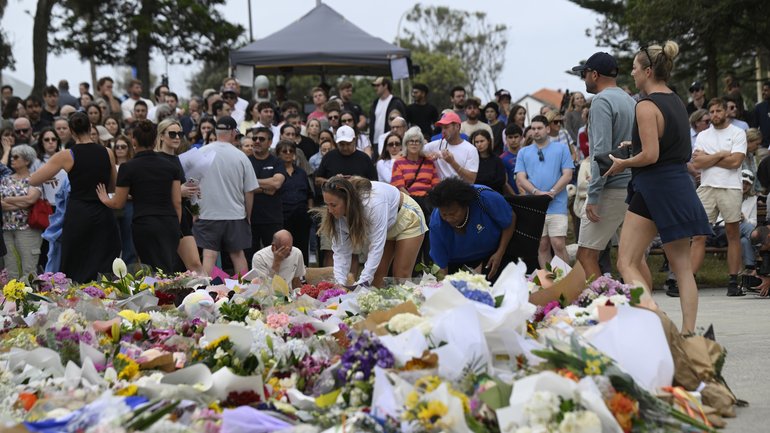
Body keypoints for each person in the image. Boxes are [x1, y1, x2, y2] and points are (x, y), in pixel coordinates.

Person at [604, 41, 711, 333]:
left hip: (653, 187)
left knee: (627, 262)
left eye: (636, 69)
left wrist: (623, 163)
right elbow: (673, 147)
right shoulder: (676, 100)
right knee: (683, 268)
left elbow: (650, 156)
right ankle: (688, 334)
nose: (633, 74)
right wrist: (634, 145)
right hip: (679, 185)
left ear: (648, 71)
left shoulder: (646, 105)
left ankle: (655, 322)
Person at [30, 112, 120, 283]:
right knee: (103, 262)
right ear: (91, 128)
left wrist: (50, 176)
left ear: (71, 131)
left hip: (79, 212)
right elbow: (112, 186)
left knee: (77, 260)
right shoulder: (107, 152)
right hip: (102, 209)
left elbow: (34, 179)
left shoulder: (66, 155)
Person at [570, 51, 636, 280]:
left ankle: (602, 309)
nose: (584, 79)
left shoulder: (600, 101)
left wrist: (594, 194)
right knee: (633, 260)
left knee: (586, 255)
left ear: (594, 74)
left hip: (611, 187)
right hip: (633, 185)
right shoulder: (630, 100)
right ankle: (646, 308)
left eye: (585, 74)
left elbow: (601, 152)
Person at [96, 120, 182, 273]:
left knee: (152, 269)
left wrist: (104, 198)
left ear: (134, 141)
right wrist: (176, 225)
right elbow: (177, 201)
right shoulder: (171, 166)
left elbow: (118, 203)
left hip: (144, 222)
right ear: (155, 140)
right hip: (169, 221)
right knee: (168, 268)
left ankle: (159, 296)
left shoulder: (128, 167)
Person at [317, 176, 426, 288]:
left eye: (333, 205)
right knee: (377, 277)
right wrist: (339, 284)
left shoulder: (372, 204)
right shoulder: (337, 215)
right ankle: (376, 304)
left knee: (400, 275)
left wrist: (361, 284)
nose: (329, 210)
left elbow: (376, 248)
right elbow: (341, 252)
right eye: (327, 204)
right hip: (386, 223)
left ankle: (405, 305)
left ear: (348, 201)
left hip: (406, 216)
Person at [690, 98, 747, 296]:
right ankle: (689, 280)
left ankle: (733, 280)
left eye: (718, 111)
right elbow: (697, 163)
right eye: (711, 111)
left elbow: (736, 162)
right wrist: (722, 154)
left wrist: (710, 159)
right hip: (706, 187)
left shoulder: (738, 133)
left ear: (726, 112)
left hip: (730, 187)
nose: (714, 114)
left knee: (733, 233)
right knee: (698, 235)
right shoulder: (703, 135)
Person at [193, 116, 259, 276]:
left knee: (209, 255)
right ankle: (244, 292)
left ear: (216, 132)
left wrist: (195, 212)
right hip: (235, 214)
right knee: (237, 254)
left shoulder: (201, 153)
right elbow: (249, 191)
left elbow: (191, 185)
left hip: (207, 213)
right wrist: (248, 215)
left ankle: (204, 294)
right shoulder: (241, 156)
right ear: (233, 132)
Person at [427, 178, 516, 280]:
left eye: (453, 213)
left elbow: (510, 218)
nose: (449, 219)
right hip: (456, 263)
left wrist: (500, 252)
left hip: (493, 253)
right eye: (444, 214)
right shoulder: (436, 223)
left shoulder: (484, 197)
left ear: (465, 205)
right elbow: (441, 265)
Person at [515, 115, 574, 266]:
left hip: (557, 204)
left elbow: (568, 174)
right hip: (535, 206)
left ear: (547, 129)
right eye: (533, 128)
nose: (536, 131)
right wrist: (536, 193)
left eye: (539, 128)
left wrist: (552, 192)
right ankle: (549, 283)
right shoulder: (524, 152)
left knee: (558, 244)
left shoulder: (561, 148)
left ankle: (566, 281)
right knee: (542, 245)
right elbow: (521, 178)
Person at [155, 119, 204, 275]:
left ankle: (203, 297)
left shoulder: (176, 159)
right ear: (161, 136)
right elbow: (151, 190)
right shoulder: (156, 159)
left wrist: (192, 193)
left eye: (180, 134)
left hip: (181, 216)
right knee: (164, 267)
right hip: (164, 216)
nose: (177, 137)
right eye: (172, 133)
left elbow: (179, 188)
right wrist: (179, 192)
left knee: (195, 264)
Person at [0, 145, 43, 278]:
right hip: (7, 229)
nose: (12, 159)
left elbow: (31, 199)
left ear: (27, 160)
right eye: (12, 156)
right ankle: (12, 298)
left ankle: (30, 298)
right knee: (11, 270)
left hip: (28, 230)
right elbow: (1, 204)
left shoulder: (35, 178)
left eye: (16, 157)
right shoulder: (6, 179)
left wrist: (8, 199)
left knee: (29, 270)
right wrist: (22, 203)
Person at [247, 127, 286, 260]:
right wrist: (265, 188)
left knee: (275, 256)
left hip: (272, 218)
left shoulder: (277, 161)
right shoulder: (245, 161)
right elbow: (240, 185)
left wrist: (250, 183)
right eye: (254, 138)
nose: (257, 141)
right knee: (249, 258)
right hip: (249, 219)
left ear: (270, 142)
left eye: (261, 139)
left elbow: (276, 184)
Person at [275, 140, 313, 266]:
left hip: (301, 215)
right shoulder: (275, 174)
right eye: (284, 151)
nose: (288, 154)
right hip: (283, 216)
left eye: (291, 151)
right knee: (284, 249)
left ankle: (303, 277)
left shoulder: (301, 172)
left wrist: (310, 212)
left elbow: (309, 194)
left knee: (302, 249)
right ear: (278, 154)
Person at [423, 112, 479, 183]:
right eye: (442, 128)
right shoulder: (436, 144)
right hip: (439, 190)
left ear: (457, 127)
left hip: (460, 191)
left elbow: (471, 180)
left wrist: (452, 162)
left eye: (446, 127)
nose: (443, 131)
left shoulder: (471, 150)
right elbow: (413, 151)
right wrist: (427, 155)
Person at [112, 134, 137, 265]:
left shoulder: (133, 165)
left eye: (123, 146)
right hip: (113, 205)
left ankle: (130, 275)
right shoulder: (110, 166)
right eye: (117, 147)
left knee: (129, 242)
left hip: (130, 205)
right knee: (113, 242)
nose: (120, 149)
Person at [369, 77, 407, 146]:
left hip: (392, 142)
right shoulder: (375, 103)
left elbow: (403, 122)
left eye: (378, 85)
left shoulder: (396, 102)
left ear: (385, 85)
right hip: (375, 142)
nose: (375, 88)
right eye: (375, 86)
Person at [471, 130, 507, 194]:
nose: (479, 144)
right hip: (477, 195)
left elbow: (501, 180)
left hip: (494, 194)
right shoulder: (472, 160)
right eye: (477, 142)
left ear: (488, 141)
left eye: (482, 141)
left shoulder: (497, 160)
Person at [500, 124, 523, 195]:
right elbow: (505, 182)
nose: (513, 140)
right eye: (510, 137)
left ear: (521, 137)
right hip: (513, 198)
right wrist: (515, 196)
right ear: (506, 139)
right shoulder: (502, 158)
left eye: (516, 137)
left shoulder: (527, 154)